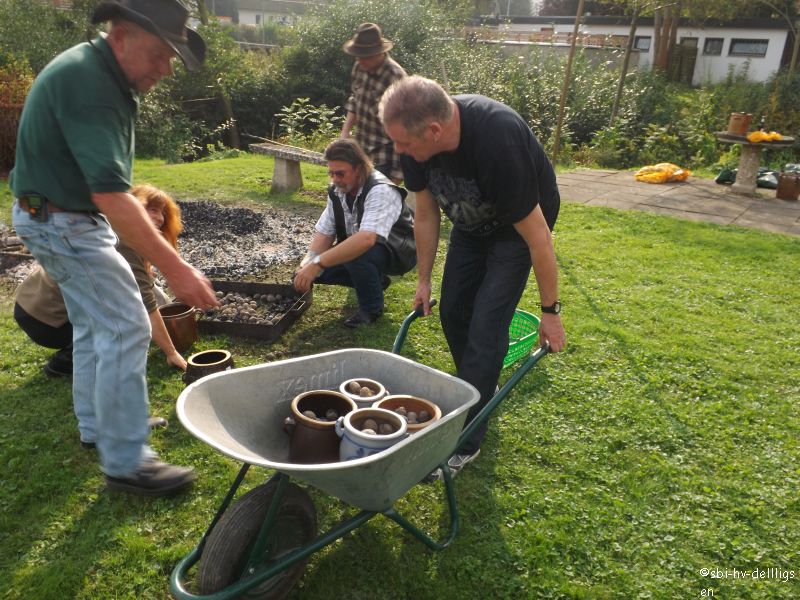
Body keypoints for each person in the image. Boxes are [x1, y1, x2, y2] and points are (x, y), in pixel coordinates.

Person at [9, 0, 218, 497]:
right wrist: (178, 270)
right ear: (121, 35)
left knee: (92, 326)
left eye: (173, 58)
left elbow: (105, 190)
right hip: (62, 221)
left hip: (60, 216)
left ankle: (98, 428)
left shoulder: (102, 75)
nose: (166, 69)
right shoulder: (92, 85)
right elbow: (110, 194)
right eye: (160, 54)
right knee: (126, 323)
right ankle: (127, 463)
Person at [378, 75, 567, 477]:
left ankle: (464, 441)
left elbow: (539, 240)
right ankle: (480, 391)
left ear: (434, 131)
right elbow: (426, 214)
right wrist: (424, 280)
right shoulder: (414, 143)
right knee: (455, 312)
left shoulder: (498, 142)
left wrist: (550, 310)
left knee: (487, 327)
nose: (398, 152)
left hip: (517, 231)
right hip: (470, 222)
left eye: (404, 144)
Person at [14, 184, 190, 376]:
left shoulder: (115, 227)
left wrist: (172, 313)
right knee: (127, 324)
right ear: (132, 206)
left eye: (162, 212)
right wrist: (171, 352)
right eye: (152, 209)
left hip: (30, 305)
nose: (160, 218)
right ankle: (66, 361)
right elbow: (145, 304)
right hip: (45, 320)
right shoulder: (122, 240)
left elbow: (145, 288)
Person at [293, 138, 415, 327]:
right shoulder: (337, 190)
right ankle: (376, 281)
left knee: (355, 255)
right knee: (312, 270)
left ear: (358, 168)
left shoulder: (381, 190)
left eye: (340, 173)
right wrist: (308, 264)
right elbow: (326, 231)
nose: (335, 179)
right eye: (331, 173)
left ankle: (371, 309)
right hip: (365, 246)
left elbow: (366, 239)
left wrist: (318, 263)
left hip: (399, 251)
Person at [341, 23, 407, 182]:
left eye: (364, 56)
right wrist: (345, 131)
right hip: (361, 148)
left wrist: (397, 175)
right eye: (357, 55)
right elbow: (355, 99)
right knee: (352, 197)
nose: (359, 59)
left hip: (385, 154)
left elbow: (406, 125)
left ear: (378, 53)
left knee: (375, 200)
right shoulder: (359, 66)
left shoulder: (395, 76)